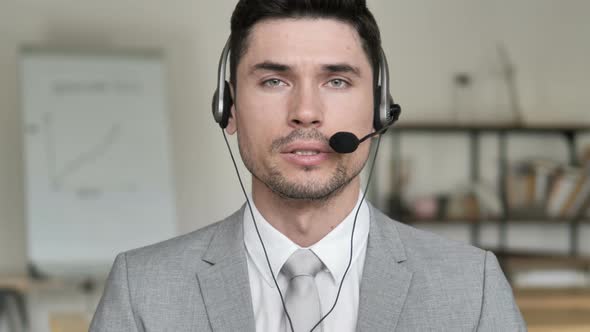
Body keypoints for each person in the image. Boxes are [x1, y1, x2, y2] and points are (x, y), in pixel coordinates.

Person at [90, 0, 526, 331]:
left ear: (378, 109)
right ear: (228, 108)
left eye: (336, 81)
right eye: (274, 81)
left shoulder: (472, 287)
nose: (305, 112)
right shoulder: (142, 290)